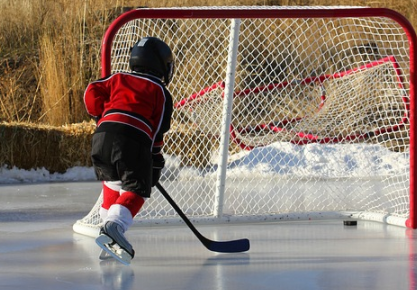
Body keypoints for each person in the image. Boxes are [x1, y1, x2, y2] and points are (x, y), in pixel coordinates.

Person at [83, 36, 175, 263]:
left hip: (101, 137)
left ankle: (107, 240)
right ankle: (115, 227)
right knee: (137, 189)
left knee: (112, 183)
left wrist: (101, 114)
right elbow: (157, 129)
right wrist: (154, 159)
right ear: (162, 65)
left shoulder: (117, 77)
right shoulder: (160, 91)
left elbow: (91, 91)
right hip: (133, 140)